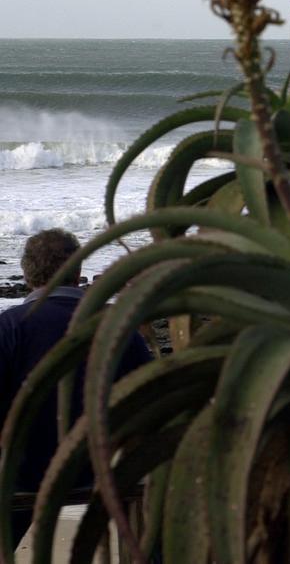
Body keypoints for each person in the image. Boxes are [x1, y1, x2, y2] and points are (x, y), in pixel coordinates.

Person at [0, 229, 152, 549]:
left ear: (27, 275)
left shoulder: (10, 326)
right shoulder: (117, 324)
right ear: (78, 271)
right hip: (103, 471)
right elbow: (149, 400)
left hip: (25, 474)